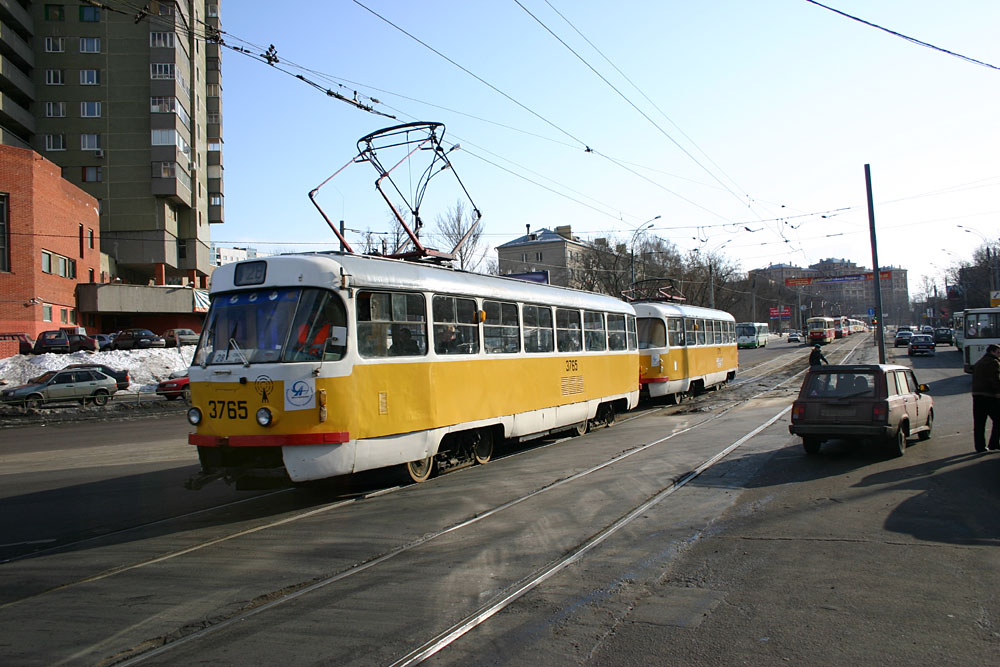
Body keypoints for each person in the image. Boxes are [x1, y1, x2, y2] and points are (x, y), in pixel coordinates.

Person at [971, 343, 1000, 452]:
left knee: (979, 423)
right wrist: (998, 392)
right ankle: (994, 443)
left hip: (977, 396)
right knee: (998, 420)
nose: (999, 354)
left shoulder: (979, 362)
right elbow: (995, 379)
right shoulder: (994, 363)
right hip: (989, 396)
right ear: (992, 352)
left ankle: (980, 447)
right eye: (998, 352)